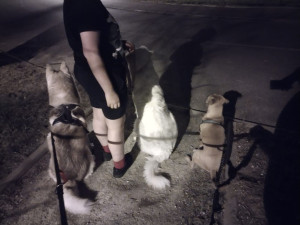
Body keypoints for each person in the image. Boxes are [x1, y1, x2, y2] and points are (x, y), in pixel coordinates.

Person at [63, 0, 135, 178]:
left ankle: (107, 151)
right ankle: (120, 164)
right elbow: (91, 51)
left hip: (87, 70)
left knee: (98, 111)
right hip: (103, 73)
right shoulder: (85, 4)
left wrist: (117, 44)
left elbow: (90, 39)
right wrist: (110, 91)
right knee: (115, 122)